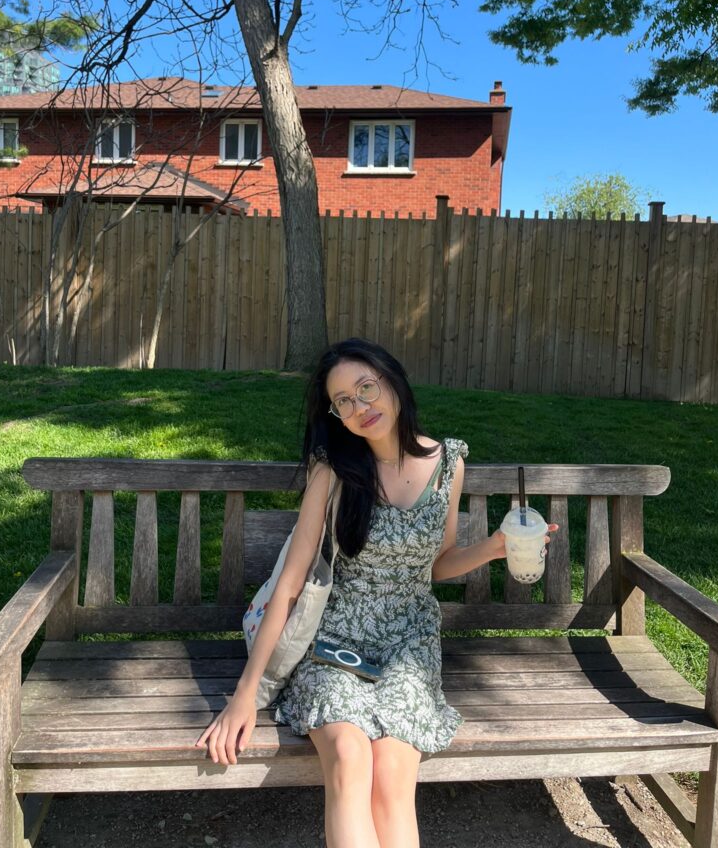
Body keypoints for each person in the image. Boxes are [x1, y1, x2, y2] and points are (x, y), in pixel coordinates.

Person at [197, 337, 556, 848]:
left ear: (392, 380)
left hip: (409, 643)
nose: (360, 406)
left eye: (366, 388)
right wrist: (245, 696)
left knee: (391, 776)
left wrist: (497, 548)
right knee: (349, 757)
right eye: (343, 401)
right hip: (334, 640)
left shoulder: (448, 464)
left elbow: (436, 564)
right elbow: (291, 584)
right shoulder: (334, 472)